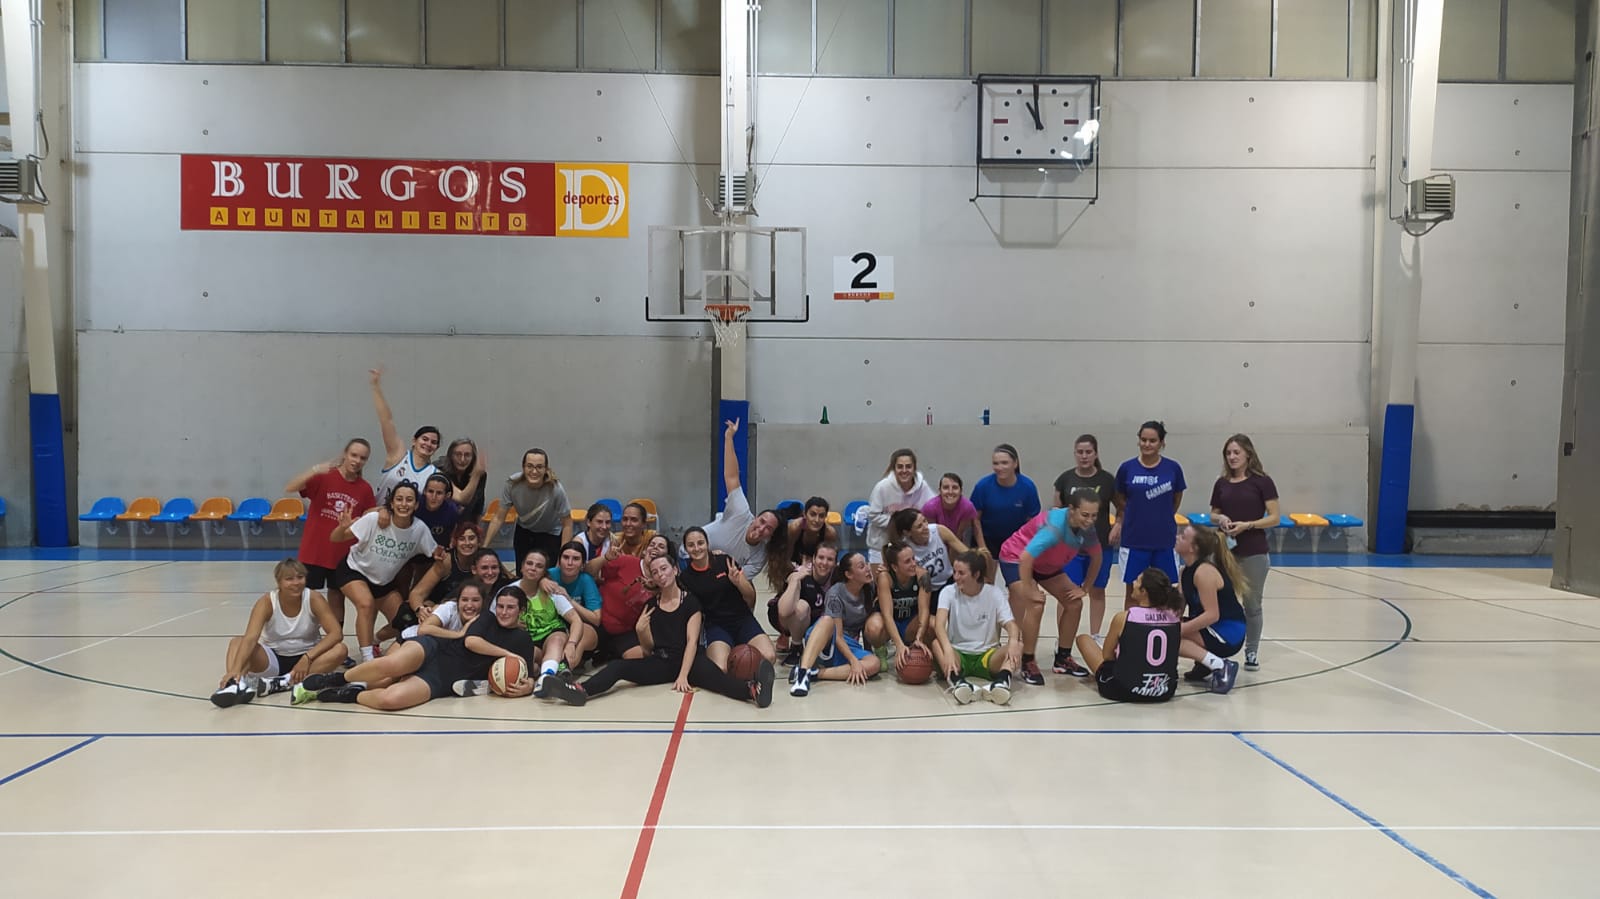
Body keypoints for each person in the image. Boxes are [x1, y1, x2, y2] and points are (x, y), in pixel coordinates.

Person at [541, 555, 777, 708]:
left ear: (674, 570)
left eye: (664, 568)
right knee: (618, 668)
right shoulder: (651, 606)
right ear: (652, 577)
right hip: (662, 662)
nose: (660, 574)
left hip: (691, 661)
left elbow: (692, 642)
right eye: (655, 572)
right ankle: (581, 690)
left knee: (719, 679)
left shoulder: (691, 602)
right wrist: (641, 631)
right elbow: (648, 649)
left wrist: (683, 676)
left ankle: (754, 689)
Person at [294, 584, 535, 710]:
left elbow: (528, 674)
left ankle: (352, 695)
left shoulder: (523, 641)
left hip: (444, 677)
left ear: (521, 610)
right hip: (435, 649)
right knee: (392, 664)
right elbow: (472, 641)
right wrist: (506, 653)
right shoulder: (486, 619)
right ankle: (338, 679)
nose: (503, 612)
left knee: (392, 700)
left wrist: (527, 687)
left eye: (510, 607)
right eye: (500, 606)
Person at [328, 481, 443, 662]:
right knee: (366, 604)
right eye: (399, 499)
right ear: (391, 503)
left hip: (383, 582)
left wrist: (443, 553)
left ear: (416, 505)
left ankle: (374, 640)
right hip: (354, 570)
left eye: (409, 500)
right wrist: (342, 527)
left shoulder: (419, 529)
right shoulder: (374, 519)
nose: (404, 504)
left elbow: (436, 552)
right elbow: (335, 538)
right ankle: (367, 660)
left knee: (406, 621)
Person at [211, 559, 348, 707]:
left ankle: (285, 682)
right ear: (279, 582)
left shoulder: (313, 598)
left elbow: (336, 633)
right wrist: (235, 669)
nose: (296, 583)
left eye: (300, 577)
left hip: (307, 660)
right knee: (237, 642)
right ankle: (235, 683)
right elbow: (251, 638)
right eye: (289, 579)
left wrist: (307, 658)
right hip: (273, 658)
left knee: (340, 649)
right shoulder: (267, 602)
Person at [999, 488, 1103, 682]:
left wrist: (1085, 588)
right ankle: (1028, 661)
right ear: (1071, 510)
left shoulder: (1088, 529)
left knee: (1074, 603)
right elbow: (1026, 558)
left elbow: (1097, 557)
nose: (1089, 520)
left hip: (1046, 563)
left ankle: (1063, 658)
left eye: (1094, 516)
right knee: (1036, 605)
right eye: (1085, 515)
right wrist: (1029, 590)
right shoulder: (1054, 528)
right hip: (1016, 558)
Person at [284, 440, 376, 628]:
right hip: (314, 551)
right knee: (306, 596)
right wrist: (316, 469)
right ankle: (304, 637)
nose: (357, 461)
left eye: (362, 458)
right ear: (345, 454)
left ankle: (334, 641)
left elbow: (369, 516)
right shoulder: (324, 477)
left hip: (341, 554)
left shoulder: (364, 488)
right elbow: (290, 487)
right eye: (354, 455)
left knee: (337, 596)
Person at [1209, 434, 1280, 671]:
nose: (1232, 457)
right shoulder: (1221, 483)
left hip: (1253, 552)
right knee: (1218, 600)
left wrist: (1248, 525)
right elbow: (1213, 513)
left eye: (1236, 452)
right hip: (1226, 551)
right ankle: (1218, 646)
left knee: (1252, 604)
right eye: (1228, 453)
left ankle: (1251, 650)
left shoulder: (1262, 482)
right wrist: (1221, 519)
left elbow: (1274, 517)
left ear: (1248, 454)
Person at [1073, 568, 1186, 703]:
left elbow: (1107, 656)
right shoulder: (1174, 617)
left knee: (1083, 639)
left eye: (1137, 581)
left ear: (1143, 591)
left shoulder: (1124, 617)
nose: (1133, 582)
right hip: (1164, 690)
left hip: (1124, 690)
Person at [696, 419, 784, 579]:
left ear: (770, 536)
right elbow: (732, 476)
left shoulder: (759, 557)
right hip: (689, 558)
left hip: (720, 579)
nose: (762, 528)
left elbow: (738, 581)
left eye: (769, 529)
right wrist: (729, 438)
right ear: (755, 518)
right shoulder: (741, 512)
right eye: (762, 521)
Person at [680, 525, 777, 669]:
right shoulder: (686, 577)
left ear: (707, 544)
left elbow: (750, 596)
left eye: (700, 543)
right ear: (686, 549)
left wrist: (738, 583)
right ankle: (732, 654)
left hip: (742, 620)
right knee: (721, 668)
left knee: (769, 657)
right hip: (716, 626)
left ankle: (745, 661)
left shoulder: (725, 562)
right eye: (691, 545)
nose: (696, 548)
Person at [1112, 421, 1186, 609]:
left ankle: (1162, 631)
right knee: (1134, 592)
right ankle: (1131, 633)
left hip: (1164, 541)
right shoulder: (1127, 468)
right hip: (1134, 540)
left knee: (1164, 591)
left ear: (1162, 443)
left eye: (1152, 441)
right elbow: (1120, 498)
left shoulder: (1173, 468)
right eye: (1143, 440)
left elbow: (1176, 499)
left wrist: (1160, 515)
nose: (1147, 444)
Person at [789, 551, 884, 696]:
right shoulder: (836, 593)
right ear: (849, 574)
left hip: (848, 644)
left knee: (874, 664)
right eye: (861, 566)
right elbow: (838, 636)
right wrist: (853, 661)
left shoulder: (869, 589)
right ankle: (802, 675)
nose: (867, 568)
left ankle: (815, 674)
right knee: (827, 620)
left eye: (866, 564)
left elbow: (865, 626)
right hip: (826, 638)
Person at [933, 550, 1022, 705]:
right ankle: (959, 683)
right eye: (954, 572)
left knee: (1018, 645)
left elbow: (1011, 625)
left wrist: (1013, 641)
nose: (956, 577)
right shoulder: (948, 592)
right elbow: (939, 625)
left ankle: (1001, 682)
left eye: (961, 573)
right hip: (959, 653)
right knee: (936, 644)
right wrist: (947, 649)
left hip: (987, 656)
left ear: (976, 575)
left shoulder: (994, 593)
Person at [1055, 434, 1118, 641]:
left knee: (1097, 591)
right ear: (1075, 454)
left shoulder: (1107, 480)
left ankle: (1095, 636)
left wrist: (1117, 525)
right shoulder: (1065, 479)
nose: (1084, 456)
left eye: (1088, 452)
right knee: (1067, 593)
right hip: (1070, 549)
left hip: (1100, 546)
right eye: (1080, 452)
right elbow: (1056, 510)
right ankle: (1062, 637)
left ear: (1096, 454)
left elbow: (1123, 508)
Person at [497, 548, 586, 691]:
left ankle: (545, 679)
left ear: (544, 572)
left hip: (552, 635)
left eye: (539, 566)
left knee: (556, 640)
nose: (533, 568)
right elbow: (493, 620)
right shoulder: (508, 592)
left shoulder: (551, 590)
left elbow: (576, 620)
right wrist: (511, 625)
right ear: (521, 567)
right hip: (528, 641)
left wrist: (571, 644)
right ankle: (542, 670)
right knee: (526, 662)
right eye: (529, 563)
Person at [1176, 525, 1245, 694]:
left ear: (1193, 548)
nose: (1177, 537)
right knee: (1165, 628)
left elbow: (1212, 615)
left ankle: (1220, 665)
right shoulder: (1185, 571)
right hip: (1212, 627)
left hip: (1228, 632)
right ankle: (1204, 663)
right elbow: (1178, 606)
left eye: (1183, 537)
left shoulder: (1204, 572)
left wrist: (1180, 629)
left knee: (1171, 637)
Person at [482, 448, 573, 567]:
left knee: (547, 575)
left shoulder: (555, 489)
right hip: (524, 532)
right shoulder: (512, 484)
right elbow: (499, 518)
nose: (534, 471)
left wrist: (563, 557)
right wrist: (484, 546)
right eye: (530, 466)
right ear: (523, 467)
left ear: (546, 469)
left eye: (539, 467)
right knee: (523, 572)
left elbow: (567, 524)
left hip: (550, 534)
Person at [592, 532, 673, 662]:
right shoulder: (627, 561)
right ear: (645, 550)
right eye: (652, 545)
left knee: (639, 657)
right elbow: (590, 571)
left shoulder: (665, 582)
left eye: (661, 546)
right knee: (582, 642)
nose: (655, 548)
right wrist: (606, 557)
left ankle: (612, 652)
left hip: (627, 632)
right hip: (601, 621)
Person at [368, 368, 439, 505]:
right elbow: (386, 420)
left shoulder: (434, 474)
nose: (428, 444)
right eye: (424, 439)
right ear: (414, 440)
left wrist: (476, 474)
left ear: (436, 448)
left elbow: (460, 496)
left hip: (406, 524)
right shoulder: (398, 455)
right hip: (380, 518)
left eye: (434, 442)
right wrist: (376, 387)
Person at [971, 444, 1041, 564]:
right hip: (988, 539)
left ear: (1015, 463)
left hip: (1016, 540)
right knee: (987, 579)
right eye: (996, 463)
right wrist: (983, 548)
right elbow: (975, 519)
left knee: (1016, 579)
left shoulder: (1028, 487)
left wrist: (1026, 547)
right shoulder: (983, 486)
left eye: (1004, 463)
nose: (1000, 467)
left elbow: (1032, 522)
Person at [769, 541, 837, 666]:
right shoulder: (802, 574)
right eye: (821, 558)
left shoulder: (837, 577)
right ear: (814, 559)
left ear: (835, 563)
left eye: (830, 559)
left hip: (814, 618)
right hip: (784, 618)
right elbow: (783, 612)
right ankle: (796, 647)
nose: (824, 563)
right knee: (802, 607)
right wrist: (795, 579)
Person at [866, 448, 936, 564]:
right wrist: (898, 523)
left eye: (908, 466)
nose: (904, 470)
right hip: (880, 545)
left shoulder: (922, 487)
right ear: (894, 468)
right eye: (900, 467)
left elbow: (933, 508)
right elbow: (873, 515)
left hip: (910, 546)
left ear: (914, 468)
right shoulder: (882, 487)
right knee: (881, 580)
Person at [886, 508, 978, 595]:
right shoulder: (905, 548)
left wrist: (978, 559)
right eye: (919, 526)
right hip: (927, 590)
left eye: (925, 521)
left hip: (951, 581)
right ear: (908, 532)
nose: (925, 527)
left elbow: (965, 551)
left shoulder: (938, 530)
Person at [873, 541, 933, 673]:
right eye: (907, 561)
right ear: (895, 567)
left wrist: (919, 637)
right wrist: (898, 645)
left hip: (910, 623)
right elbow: (887, 615)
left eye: (913, 558)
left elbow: (924, 610)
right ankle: (881, 650)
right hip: (890, 624)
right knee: (874, 627)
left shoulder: (922, 576)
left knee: (932, 623)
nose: (913, 564)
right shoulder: (885, 577)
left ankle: (920, 648)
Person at [407, 521, 487, 613]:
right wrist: (420, 610)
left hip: (471, 610)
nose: (467, 543)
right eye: (462, 539)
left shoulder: (485, 559)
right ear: (455, 542)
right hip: (439, 609)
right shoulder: (446, 561)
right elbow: (417, 593)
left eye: (471, 538)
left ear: (479, 541)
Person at [767, 497, 837, 595]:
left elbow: (829, 561)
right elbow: (786, 557)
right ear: (805, 514)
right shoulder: (794, 528)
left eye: (821, 516)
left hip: (815, 563)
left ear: (825, 517)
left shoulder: (829, 533)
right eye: (812, 514)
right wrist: (795, 574)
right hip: (793, 560)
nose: (816, 520)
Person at [553, 541, 604, 660]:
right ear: (559, 561)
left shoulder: (586, 580)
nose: (569, 563)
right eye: (565, 558)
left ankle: (564, 669)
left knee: (579, 638)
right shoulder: (549, 575)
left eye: (575, 559)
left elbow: (596, 619)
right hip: (556, 626)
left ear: (582, 565)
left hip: (585, 626)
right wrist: (541, 581)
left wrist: (569, 600)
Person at [399, 581, 486, 643]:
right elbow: (423, 629)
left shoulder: (485, 618)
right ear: (458, 601)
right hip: (409, 639)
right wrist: (459, 634)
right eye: (464, 600)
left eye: (475, 600)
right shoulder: (450, 608)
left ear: (483, 602)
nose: (469, 605)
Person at [921, 473, 983, 551]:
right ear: (940, 490)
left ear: (961, 491)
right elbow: (931, 537)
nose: (950, 491)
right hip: (934, 544)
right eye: (946, 488)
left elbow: (959, 536)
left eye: (955, 488)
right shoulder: (929, 507)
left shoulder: (967, 507)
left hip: (957, 541)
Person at [437, 438, 489, 522]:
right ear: (450, 455)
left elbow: (478, 506)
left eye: (467, 455)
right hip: (441, 522)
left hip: (465, 524)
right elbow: (462, 499)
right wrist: (475, 476)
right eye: (458, 454)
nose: (462, 459)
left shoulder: (480, 474)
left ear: (473, 457)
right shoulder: (439, 470)